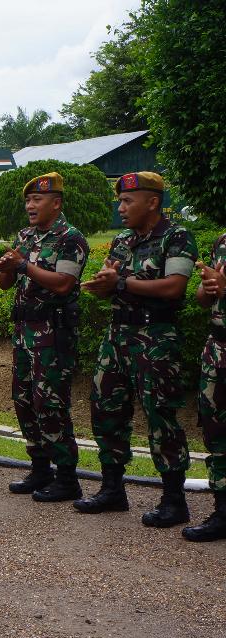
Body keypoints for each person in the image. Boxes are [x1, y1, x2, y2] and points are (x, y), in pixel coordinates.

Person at [78, 172, 195, 526]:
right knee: (106, 409)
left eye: (128, 201)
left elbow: (175, 287)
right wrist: (101, 286)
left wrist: (122, 282)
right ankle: (113, 489)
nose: (121, 207)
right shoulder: (123, 240)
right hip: (118, 335)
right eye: (120, 200)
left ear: (153, 202)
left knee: (160, 416)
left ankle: (174, 500)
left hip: (155, 337)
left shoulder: (176, 238)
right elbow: (109, 281)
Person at [0, 173, 89, 501]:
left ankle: (66, 476)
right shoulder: (27, 236)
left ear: (56, 203)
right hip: (24, 332)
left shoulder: (70, 239)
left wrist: (22, 266)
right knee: (23, 399)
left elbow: (63, 283)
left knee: (50, 402)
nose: (30, 206)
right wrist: (7, 266)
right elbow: (6, 284)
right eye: (28, 201)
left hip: (52, 333)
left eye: (37, 200)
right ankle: (39, 467)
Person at [184, 236, 226, 541]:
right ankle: (222, 511)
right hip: (218, 348)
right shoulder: (222, 242)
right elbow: (202, 299)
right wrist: (208, 289)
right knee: (216, 431)